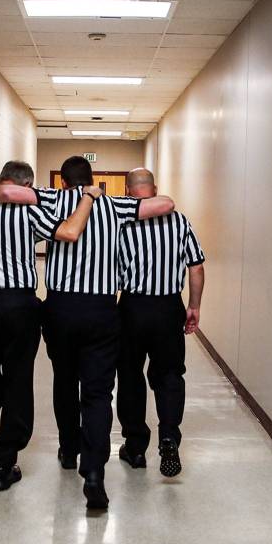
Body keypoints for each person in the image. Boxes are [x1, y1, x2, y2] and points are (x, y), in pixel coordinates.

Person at [0, 156, 176, 509]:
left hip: (60, 308)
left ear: (62, 181)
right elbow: (166, 204)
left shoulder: (50, 199)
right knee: (99, 392)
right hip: (102, 309)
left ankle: (69, 450)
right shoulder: (116, 205)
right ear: (90, 179)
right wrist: (99, 195)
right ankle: (94, 473)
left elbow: (2, 193)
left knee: (64, 380)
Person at [0, 160, 102, 492]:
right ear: (25, 187)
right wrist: (88, 198)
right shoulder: (27, 212)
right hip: (19, 306)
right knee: (17, 381)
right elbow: (69, 233)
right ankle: (4, 464)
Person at [114, 168, 205, 478]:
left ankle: (136, 447)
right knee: (169, 374)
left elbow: (111, 271)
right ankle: (168, 435)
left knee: (129, 376)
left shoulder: (121, 223)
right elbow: (196, 266)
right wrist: (193, 305)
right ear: (155, 189)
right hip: (168, 308)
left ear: (128, 192)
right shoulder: (179, 222)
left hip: (132, 307)